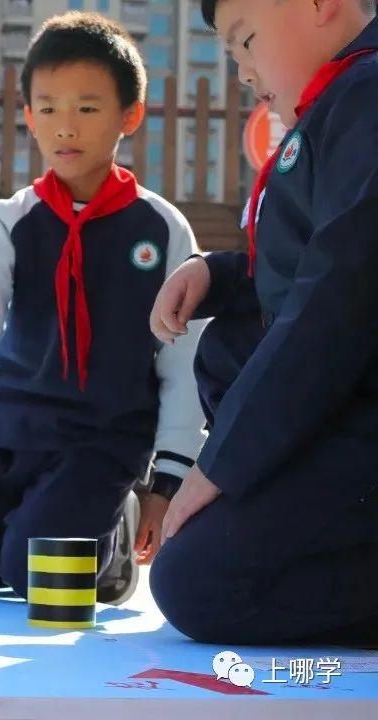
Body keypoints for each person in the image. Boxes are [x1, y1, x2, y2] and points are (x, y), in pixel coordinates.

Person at [0, 12, 207, 606]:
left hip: (103, 438)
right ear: (30, 118)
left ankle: (104, 547)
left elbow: (183, 360)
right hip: (7, 424)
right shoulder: (10, 218)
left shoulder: (162, 229)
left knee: (36, 573)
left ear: (128, 116)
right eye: (49, 108)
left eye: (87, 108)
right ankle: (30, 533)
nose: (67, 127)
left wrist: (168, 478)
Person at [149, 0, 378, 645]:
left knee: (198, 583)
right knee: (227, 344)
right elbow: (307, 266)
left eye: (246, 40)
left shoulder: (367, 93)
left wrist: (221, 464)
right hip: (339, 419)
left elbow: (340, 298)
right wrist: (219, 276)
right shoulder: (335, 105)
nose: (244, 71)